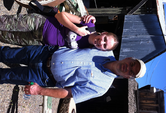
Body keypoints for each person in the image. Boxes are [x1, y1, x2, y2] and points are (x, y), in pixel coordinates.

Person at [0, 45, 146, 104]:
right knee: (6, 53)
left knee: (5, 76)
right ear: (129, 58)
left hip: (43, 76)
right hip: (44, 53)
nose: (128, 68)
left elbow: (69, 93)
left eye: (131, 72)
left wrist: (39, 91)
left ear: (128, 77)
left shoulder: (102, 88)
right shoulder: (104, 48)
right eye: (132, 64)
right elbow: (82, 36)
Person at [0, 12, 118, 50]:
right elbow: (60, 16)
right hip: (40, 24)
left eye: (104, 46)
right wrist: (76, 29)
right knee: (4, 23)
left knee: (4, 37)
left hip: (38, 41)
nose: (101, 43)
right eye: (105, 39)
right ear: (104, 33)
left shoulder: (86, 50)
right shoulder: (89, 24)